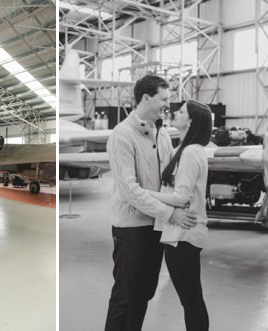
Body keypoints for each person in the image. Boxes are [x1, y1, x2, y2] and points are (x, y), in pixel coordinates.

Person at [105, 74, 197, 331]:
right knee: (124, 296)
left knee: (144, 293)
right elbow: (129, 190)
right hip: (131, 229)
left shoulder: (162, 134)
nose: (167, 105)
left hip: (155, 227)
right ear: (146, 98)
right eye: (163, 99)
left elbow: (167, 179)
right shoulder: (122, 135)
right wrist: (170, 214)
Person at [141, 100, 213, 331]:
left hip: (184, 235)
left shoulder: (191, 152)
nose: (175, 113)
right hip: (183, 234)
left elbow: (181, 197)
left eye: (181, 111)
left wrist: (145, 194)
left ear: (190, 121)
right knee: (192, 298)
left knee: (190, 300)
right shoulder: (186, 148)